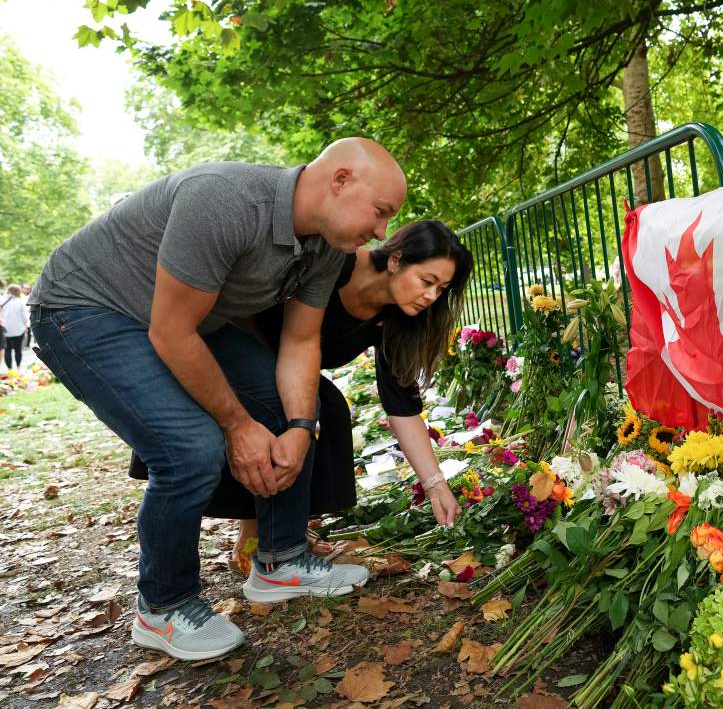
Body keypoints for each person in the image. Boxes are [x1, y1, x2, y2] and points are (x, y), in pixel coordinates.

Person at [29, 138, 407, 661]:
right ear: (340, 181)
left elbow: (300, 341)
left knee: (299, 404)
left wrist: (300, 426)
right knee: (190, 448)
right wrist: (236, 426)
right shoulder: (224, 200)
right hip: (87, 308)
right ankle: (161, 608)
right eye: (382, 212)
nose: (382, 232)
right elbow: (172, 332)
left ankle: (280, 561)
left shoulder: (326, 246)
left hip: (185, 320)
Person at [129, 220, 472, 562]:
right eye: (427, 281)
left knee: (327, 409)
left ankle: (283, 528)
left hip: (288, 370)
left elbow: (402, 407)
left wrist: (436, 485)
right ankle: (258, 534)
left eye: (441, 289)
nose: (431, 296)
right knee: (307, 405)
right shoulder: (336, 263)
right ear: (396, 260)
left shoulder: (397, 320)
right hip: (226, 343)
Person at [1, 284, 29, 369]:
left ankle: (9, 369)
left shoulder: (2, 300)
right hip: (19, 329)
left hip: (5, 330)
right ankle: (18, 367)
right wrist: (26, 328)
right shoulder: (20, 302)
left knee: (7, 350)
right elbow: (25, 317)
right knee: (18, 350)